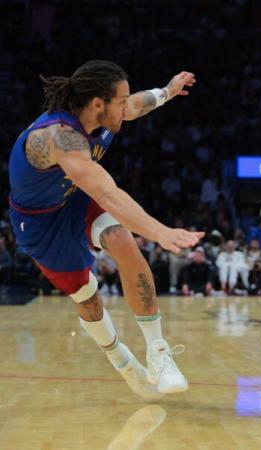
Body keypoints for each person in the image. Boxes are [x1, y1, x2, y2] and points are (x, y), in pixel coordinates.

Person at [8, 60, 204, 400]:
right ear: (99, 103)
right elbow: (107, 193)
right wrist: (160, 231)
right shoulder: (60, 138)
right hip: (39, 222)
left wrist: (168, 91)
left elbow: (139, 103)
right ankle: (121, 360)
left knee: (123, 241)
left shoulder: (102, 112)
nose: (127, 106)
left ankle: (158, 351)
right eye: (121, 99)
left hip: (74, 199)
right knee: (87, 296)